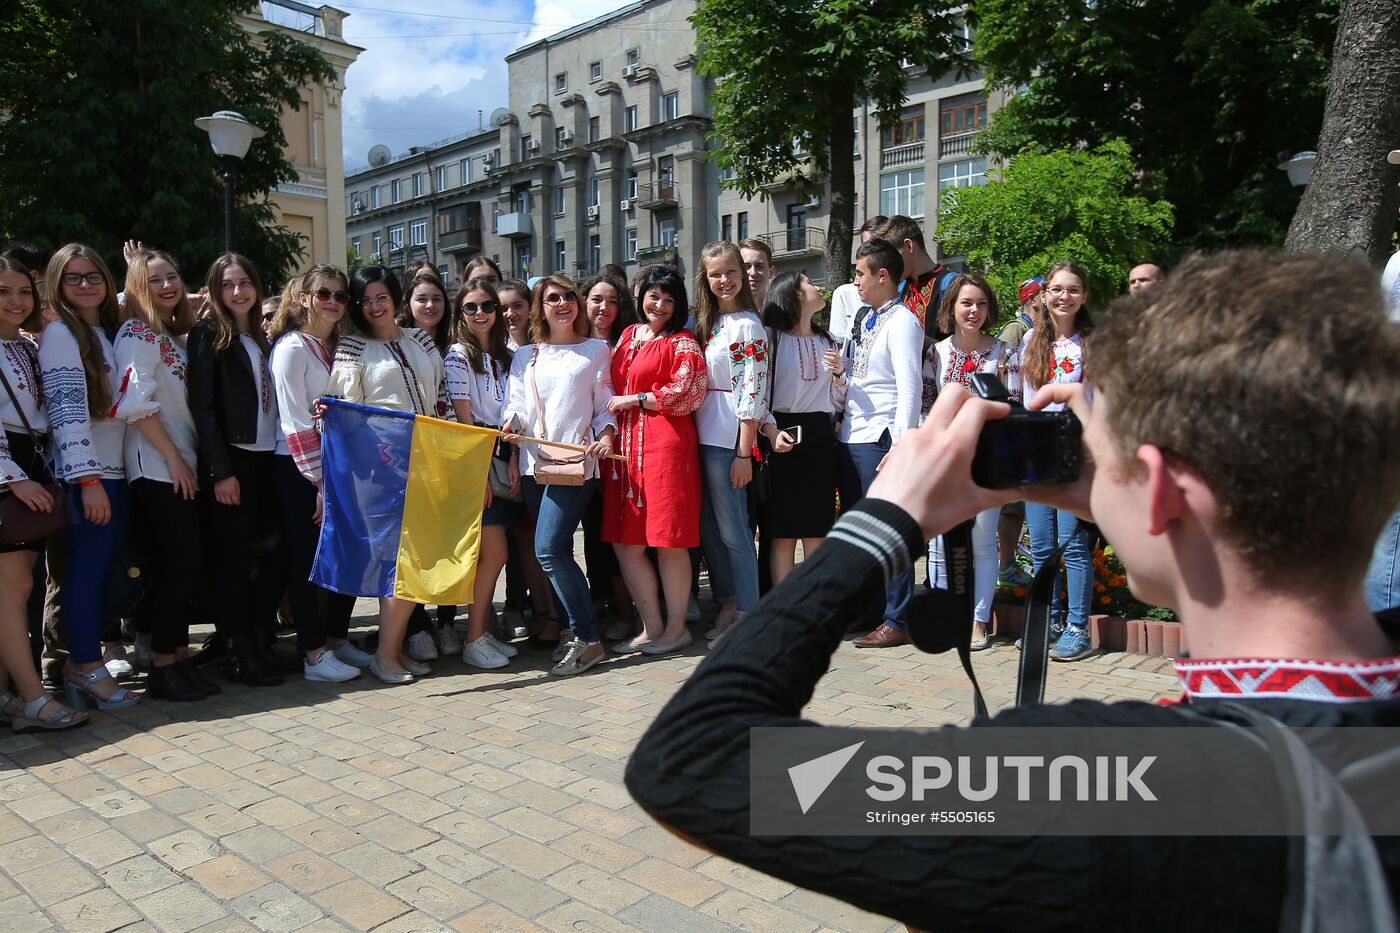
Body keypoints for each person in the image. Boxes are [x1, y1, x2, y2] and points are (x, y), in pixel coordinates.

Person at [626, 249, 1400, 932]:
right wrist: (1134, 491)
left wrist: (883, 521)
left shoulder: (1118, 784)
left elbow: (692, 762)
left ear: (1163, 490)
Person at [324, 264, 452, 683]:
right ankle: (385, 655)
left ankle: (393, 649)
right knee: (396, 564)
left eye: (382, 297)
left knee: (418, 560)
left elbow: (443, 398)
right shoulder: (352, 347)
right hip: (383, 474)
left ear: (395, 297)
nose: (375, 306)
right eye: (366, 300)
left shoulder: (419, 338)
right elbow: (343, 412)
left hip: (428, 462)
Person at [111, 250, 219, 700]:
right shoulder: (136, 333)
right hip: (157, 466)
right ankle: (161, 665)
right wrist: (173, 459)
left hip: (183, 464)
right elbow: (134, 404)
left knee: (185, 566)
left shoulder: (173, 337)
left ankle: (176, 657)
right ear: (138, 287)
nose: (167, 286)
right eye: (154, 280)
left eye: (172, 276)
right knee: (178, 565)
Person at [39, 244, 140, 710]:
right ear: (57, 284)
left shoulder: (104, 331)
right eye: (73, 277)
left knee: (99, 574)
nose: (85, 284)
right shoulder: (63, 334)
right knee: (84, 575)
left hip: (115, 472)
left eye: (93, 275)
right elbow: (66, 415)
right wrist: (88, 481)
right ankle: (83, 666)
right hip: (90, 477)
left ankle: (84, 663)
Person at [501, 275, 616, 675]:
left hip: (578, 463)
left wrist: (606, 435)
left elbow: (605, 405)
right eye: (553, 298)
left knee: (548, 550)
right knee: (556, 552)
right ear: (540, 307)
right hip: (535, 463)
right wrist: (511, 427)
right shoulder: (526, 355)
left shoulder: (596, 350)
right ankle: (575, 631)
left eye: (569, 296)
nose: (563, 303)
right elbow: (513, 403)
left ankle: (588, 639)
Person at [188, 253, 288, 687]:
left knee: (274, 551)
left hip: (268, 457)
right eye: (228, 285)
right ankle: (238, 650)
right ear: (215, 290)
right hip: (234, 460)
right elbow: (203, 409)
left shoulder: (262, 337)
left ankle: (261, 638)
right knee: (232, 559)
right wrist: (220, 471)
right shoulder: (208, 333)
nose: (238, 292)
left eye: (245, 282)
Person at [0, 255, 88, 731]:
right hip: (11, 471)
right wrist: (13, 477)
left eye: (23, 292)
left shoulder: (29, 346)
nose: (15, 301)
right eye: (2, 292)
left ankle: (8, 696)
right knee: (13, 592)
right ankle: (33, 700)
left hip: (32, 462)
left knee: (19, 589)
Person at [267, 265, 367, 683]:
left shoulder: (335, 345)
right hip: (297, 467)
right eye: (323, 293)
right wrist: (319, 484)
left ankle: (336, 638)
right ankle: (312, 653)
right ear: (302, 297)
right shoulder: (292, 347)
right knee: (306, 559)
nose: (332, 301)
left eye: (340, 295)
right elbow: (294, 420)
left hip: (333, 466)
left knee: (343, 554)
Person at [602, 265, 707, 655]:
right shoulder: (628, 336)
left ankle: (676, 627)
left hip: (666, 448)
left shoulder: (682, 342)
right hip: (624, 452)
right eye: (653, 295)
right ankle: (652, 626)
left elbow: (688, 392)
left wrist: (637, 398)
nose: (659, 304)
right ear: (640, 294)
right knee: (626, 543)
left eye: (668, 299)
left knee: (669, 542)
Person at [835, 238, 923, 648]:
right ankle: (872, 611)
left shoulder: (903, 321)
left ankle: (897, 617)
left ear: (882, 276)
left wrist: (902, 445)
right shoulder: (867, 317)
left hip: (881, 438)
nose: (855, 280)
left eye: (859, 273)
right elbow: (863, 378)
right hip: (854, 432)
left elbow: (910, 385)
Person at [1011, 260, 1095, 661]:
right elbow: (1027, 403)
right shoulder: (1030, 342)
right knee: (1042, 546)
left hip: (1075, 452)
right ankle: (1050, 620)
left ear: (1084, 296)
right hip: (1037, 453)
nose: (1065, 296)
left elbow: (1099, 404)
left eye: (1073, 289)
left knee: (1073, 545)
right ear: (1044, 295)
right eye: (1057, 289)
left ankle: (1079, 627)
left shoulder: (1093, 343)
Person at [923, 274, 1007, 649]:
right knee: (941, 543)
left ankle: (978, 621)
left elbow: (1012, 408)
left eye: (981, 304)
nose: (974, 311)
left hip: (987, 458)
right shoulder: (935, 353)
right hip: (946, 458)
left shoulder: (1004, 352)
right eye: (966, 303)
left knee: (982, 542)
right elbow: (927, 409)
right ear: (951, 308)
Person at [691, 242, 768, 647]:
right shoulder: (709, 323)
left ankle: (748, 614)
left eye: (731, 272)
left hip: (727, 441)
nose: (724, 280)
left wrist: (744, 452)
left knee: (735, 531)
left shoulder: (747, 325)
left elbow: (752, 392)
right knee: (710, 530)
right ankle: (728, 602)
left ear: (742, 273)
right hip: (700, 435)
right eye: (716, 274)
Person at [443, 277, 522, 670]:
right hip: (477, 461)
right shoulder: (458, 355)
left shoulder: (508, 354)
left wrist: (510, 455)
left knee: (496, 553)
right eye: (471, 307)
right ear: (461, 314)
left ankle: (481, 632)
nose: (480, 314)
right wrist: (477, 474)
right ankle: (474, 637)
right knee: (494, 553)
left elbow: (513, 411)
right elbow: (464, 421)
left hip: (505, 455)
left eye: (487, 306)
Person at [759, 271, 843, 585]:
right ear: (793, 294)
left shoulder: (827, 339)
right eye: (809, 282)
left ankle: (812, 607)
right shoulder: (770, 337)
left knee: (817, 530)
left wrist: (838, 376)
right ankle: (782, 609)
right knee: (782, 532)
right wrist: (769, 430)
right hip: (780, 435)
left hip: (820, 437)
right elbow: (760, 395)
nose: (818, 286)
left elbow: (837, 402)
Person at [396, 271, 462, 661]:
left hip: (449, 455)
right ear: (408, 302)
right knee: (417, 545)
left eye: (437, 298)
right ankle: (416, 624)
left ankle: (449, 622)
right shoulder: (398, 343)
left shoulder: (455, 343)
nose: (430, 306)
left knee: (449, 540)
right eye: (422, 298)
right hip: (409, 461)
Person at [579, 272, 637, 640]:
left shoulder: (628, 342)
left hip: (623, 447)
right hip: (582, 450)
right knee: (593, 532)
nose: (605, 307)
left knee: (620, 528)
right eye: (597, 299)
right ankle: (598, 601)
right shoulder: (573, 342)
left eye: (613, 301)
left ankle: (627, 610)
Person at [994, 277, 1042, 588]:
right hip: (1013, 423)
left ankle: (1009, 564)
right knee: (1012, 505)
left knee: (1018, 506)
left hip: (1025, 423)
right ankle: (1006, 564)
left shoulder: (1038, 332)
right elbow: (998, 365)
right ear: (1032, 300)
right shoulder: (1017, 329)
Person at [872, 215, 946, 337]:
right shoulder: (899, 290)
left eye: (890, 258)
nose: (887, 265)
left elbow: (966, 348)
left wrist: (914, 341)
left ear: (909, 246)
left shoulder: (950, 286)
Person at [827, 215, 887, 343]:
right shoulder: (844, 294)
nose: (870, 253)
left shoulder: (904, 289)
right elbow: (839, 346)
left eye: (876, 246)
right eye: (866, 246)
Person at [738, 239, 774, 310]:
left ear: (771, 272)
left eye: (759, 266)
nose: (753, 272)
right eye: (746, 267)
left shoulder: (784, 314)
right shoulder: (724, 316)